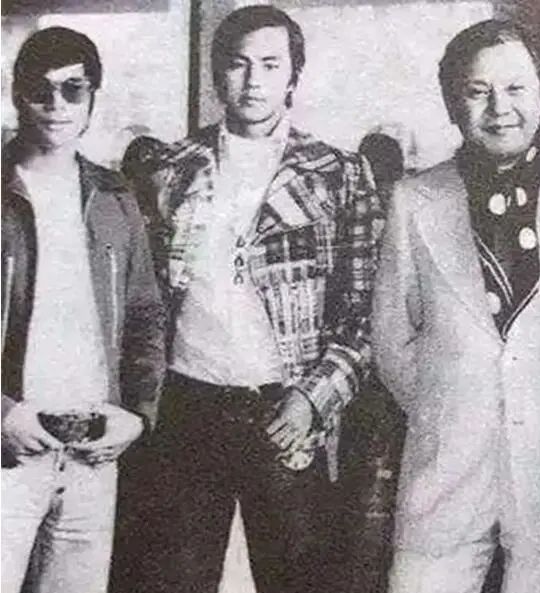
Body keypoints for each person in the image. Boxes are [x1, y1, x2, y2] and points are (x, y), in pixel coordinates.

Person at [373, 19, 540, 593]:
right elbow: (392, 337)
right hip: (446, 469)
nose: (500, 108)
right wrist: (451, 403)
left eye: (516, 88)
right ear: (453, 102)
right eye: (478, 91)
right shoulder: (413, 199)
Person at [122, 6, 382, 592]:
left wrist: (314, 398)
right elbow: (144, 306)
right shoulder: (170, 169)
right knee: (171, 580)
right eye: (238, 65)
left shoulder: (337, 173)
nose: (253, 81)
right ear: (218, 74)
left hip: (285, 408)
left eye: (270, 64)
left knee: (299, 580)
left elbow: (364, 316)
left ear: (293, 75)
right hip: (186, 406)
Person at [1, 26, 165, 593]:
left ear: (93, 97)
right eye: (40, 90)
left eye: (73, 89)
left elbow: (145, 315)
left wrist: (136, 414)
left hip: (93, 452)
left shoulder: (115, 197)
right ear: (17, 94)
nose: (57, 105)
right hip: (9, 449)